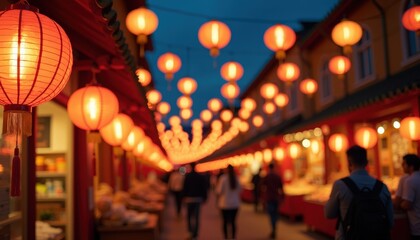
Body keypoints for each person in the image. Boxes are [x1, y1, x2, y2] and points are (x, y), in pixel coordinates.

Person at [324, 145, 394, 240]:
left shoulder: (340, 185)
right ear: (366, 163)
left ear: (349, 163)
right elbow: (390, 222)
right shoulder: (382, 187)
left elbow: (329, 214)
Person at [182, 162, 208, 240]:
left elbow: (184, 188)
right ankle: (195, 234)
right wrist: (205, 197)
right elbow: (204, 188)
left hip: (189, 199)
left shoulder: (187, 176)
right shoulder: (200, 177)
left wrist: (183, 197)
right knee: (196, 217)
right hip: (198, 199)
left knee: (189, 216)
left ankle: (190, 232)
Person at [216, 165, 241, 240]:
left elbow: (218, 191)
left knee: (225, 222)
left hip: (224, 204)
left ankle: (226, 237)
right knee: (233, 222)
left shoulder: (223, 179)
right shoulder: (236, 178)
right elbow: (240, 190)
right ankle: (233, 237)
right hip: (235, 203)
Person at [261, 162, 283, 239]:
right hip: (276, 198)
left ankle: (273, 228)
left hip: (269, 198)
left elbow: (263, 187)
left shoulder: (267, 177)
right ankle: (274, 228)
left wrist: (263, 198)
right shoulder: (277, 176)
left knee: (271, 214)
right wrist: (282, 197)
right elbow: (281, 188)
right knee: (275, 213)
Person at [400, 154, 420, 239]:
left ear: (411, 166)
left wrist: (399, 204)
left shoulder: (410, 181)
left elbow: (407, 204)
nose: (402, 166)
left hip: (417, 225)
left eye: (404, 164)